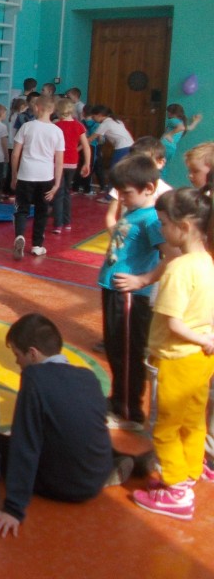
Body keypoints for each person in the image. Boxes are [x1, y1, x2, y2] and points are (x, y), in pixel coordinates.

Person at [0, 313, 129, 537]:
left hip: (64, 486)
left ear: (32, 353)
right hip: (98, 472)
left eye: (17, 355)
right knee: (76, 426)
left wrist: (14, 508)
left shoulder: (34, 378)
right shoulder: (87, 376)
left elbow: (26, 445)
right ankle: (127, 463)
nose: (16, 362)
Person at [132, 187, 214, 520]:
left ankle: (177, 488)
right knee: (192, 420)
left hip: (177, 358)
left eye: (164, 223)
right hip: (200, 361)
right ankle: (191, 470)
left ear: (184, 226)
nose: (161, 230)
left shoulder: (179, 269)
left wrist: (203, 339)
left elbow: (174, 323)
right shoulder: (206, 261)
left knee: (165, 426)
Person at [97, 155, 164, 430]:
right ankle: (119, 399)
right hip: (114, 290)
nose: (122, 198)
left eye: (126, 193)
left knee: (127, 352)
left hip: (129, 296)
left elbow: (169, 256)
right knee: (115, 347)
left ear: (149, 188)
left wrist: (142, 280)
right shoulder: (134, 212)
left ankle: (129, 411)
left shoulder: (151, 219)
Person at [10, 94, 64, 259]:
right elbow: (59, 160)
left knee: (21, 209)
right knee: (42, 211)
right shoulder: (57, 131)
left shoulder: (27, 127)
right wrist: (56, 184)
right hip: (46, 176)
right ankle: (37, 245)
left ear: (36, 107)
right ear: (53, 110)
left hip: (26, 174)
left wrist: (14, 175)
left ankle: (20, 235)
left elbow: (15, 154)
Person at [51, 97, 91, 232]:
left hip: (58, 162)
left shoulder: (56, 126)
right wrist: (87, 163)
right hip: (72, 162)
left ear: (58, 111)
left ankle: (58, 224)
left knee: (58, 192)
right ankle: (67, 222)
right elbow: (86, 146)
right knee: (67, 192)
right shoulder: (79, 126)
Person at [88, 106, 134, 194]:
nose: (93, 119)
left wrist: (77, 147)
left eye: (93, 116)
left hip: (122, 148)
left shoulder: (105, 124)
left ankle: (110, 196)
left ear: (99, 115)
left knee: (115, 172)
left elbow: (90, 139)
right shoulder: (117, 121)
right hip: (130, 146)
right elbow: (101, 138)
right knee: (123, 171)